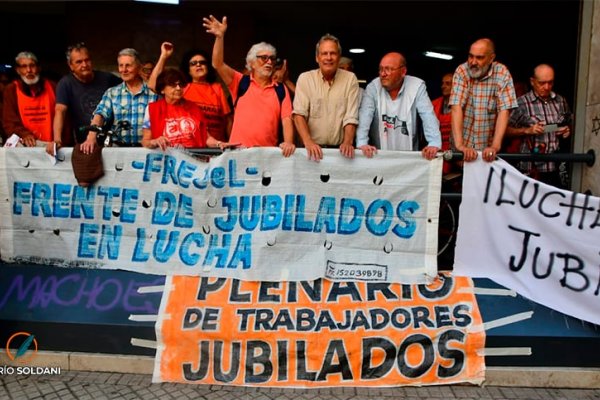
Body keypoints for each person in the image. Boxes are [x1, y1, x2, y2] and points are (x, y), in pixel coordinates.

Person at [203, 15, 295, 157]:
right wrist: (220, 37)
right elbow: (217, 63)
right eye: (263, 58)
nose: (269, 62)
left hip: (267, 156)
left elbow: (287, 119)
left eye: (271, 58)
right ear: (251, 63)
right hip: (238, 154)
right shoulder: (240, 82)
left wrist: (288, 142)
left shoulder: (280, 89)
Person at [356, 52, 441, 160]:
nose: (383, 74)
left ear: (403, 71)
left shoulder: (417, 86)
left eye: (388, 69)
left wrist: (434, 143)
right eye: (381, 69)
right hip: (378, 158)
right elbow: (364, 116)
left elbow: (428, 115)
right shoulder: (373, 87)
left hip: (409, 160)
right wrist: (362, 143)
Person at [46, 42, 121, 156]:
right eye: (79, 62)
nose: (84, 64)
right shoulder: (66, 84)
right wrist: (57, 139)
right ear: (70, 65)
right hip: (84, 143)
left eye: (87, 60)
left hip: (113, 143)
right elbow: (60, 111)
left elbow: (128, 88)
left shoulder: (108, 79)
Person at [449, 38, 517, 162]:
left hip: (487, 150)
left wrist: (495, 146)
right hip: (461, 147)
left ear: (491, 58)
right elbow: (456, 107)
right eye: (470, 56)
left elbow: (504, 111)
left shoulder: (502, 73)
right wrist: (460, 146)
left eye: (479, 58)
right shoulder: (461, 71)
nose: (473, 62)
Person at [293, 34, 359, 161]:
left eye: (333, 53)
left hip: (340, 153)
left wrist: (347, 142)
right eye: (324, 53)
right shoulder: (305, 79)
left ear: (339, 57)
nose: (329, 58)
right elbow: (299, 115)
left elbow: (351, 116)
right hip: (310, 151)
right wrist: (308, 142)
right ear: (317, 58)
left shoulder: (350, 79)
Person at [148, 42, 232, 142]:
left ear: (208, 67)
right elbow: (153, 85)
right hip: (192, 145)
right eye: (193, 63)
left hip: (216, 146)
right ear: (188, 70)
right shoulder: (183, 87)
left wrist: (230, 144)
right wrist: (163, 57)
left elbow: (228, 121)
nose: (198, 65)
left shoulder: (217, 88)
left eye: (202, 62)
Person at [80, 48, 158, 154]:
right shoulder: (112, 93)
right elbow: (100, 114)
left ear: (139, 67)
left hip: (147, 151)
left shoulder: (153, 93)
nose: (124, 70)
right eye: (121, 65)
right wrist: (91, 136)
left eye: (128, 65)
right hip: (119, 151)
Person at [506, 64, 572, 187]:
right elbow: (505, 131)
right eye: (542, 83)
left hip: (556, 167)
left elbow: (569, 123)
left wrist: (567, 131)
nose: (547, 87)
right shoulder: (522, 103)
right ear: (532, 81)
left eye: (550, 83)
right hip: (531, 168)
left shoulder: (561, 101)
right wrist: (527, 130)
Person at [141, 68, 228, 150]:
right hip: (167, 161)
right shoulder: (152, 109)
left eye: (180, 85)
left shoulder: (194, 108)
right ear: (162, 89)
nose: (178, 88)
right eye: (173, 85)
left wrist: (218, 143)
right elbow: (145, 141)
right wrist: (155, 141)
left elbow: (206, 138)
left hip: (194, 161)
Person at [2, 51, 59, 147]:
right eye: (24, 66)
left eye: (32, 65)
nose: (29, 70)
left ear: (39, 68)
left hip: (52, 145)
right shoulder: (11, 90)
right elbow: (9, 121)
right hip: (26, 146)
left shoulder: (53, 86)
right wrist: (24, 134)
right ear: (17, 70)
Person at [431, 72, 453, 172]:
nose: (443, 86)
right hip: (436, 151)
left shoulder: (464, 106)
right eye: (443, 83)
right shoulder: (433, 104)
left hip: (454, 152)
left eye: (448, 84)